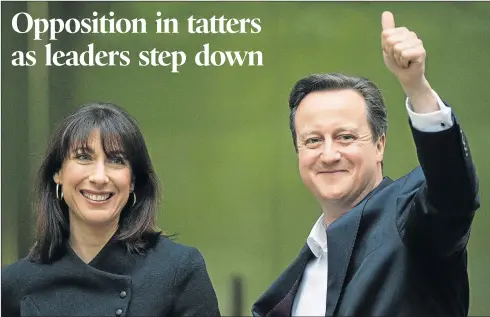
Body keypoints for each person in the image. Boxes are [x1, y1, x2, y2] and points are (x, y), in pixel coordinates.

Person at [252, 11, 479, 317]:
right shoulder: (302, 272)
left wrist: (417, 87)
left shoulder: (411, 221)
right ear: (298, 153)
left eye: (345, 137)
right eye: (313, 141)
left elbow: (452, 193)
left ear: (379, 145)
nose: (329, 155)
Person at [1, 102, 221, 316]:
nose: (99, 177)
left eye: (116, 160)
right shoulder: (13, 284)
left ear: (133, 181)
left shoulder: (179, 270)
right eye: (83, 157)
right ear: (57, 173)